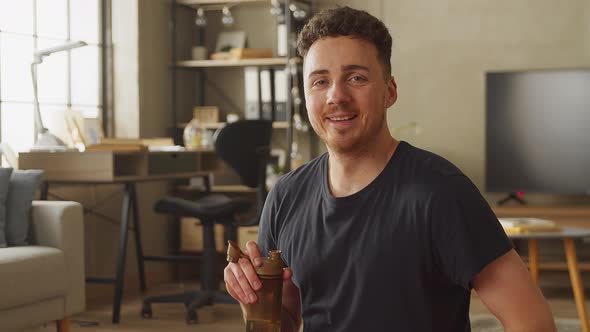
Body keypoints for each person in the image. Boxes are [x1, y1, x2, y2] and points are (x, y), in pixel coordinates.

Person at [224, 6, 556, 332]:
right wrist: (252, 301)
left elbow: (532, 322)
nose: (336, 96)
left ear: (390, 91)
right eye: (320, 81)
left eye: (356, 78)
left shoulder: (441, 193)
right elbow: (285, 321)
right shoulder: (286, 196)